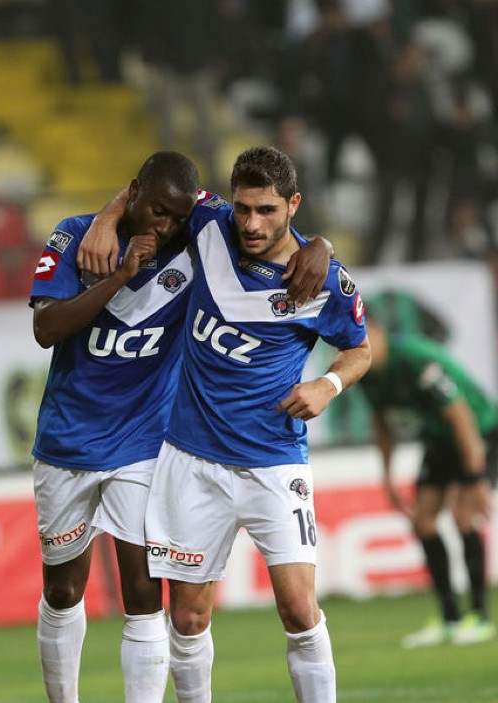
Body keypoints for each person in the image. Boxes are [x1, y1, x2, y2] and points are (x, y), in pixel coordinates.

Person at [30, 150, 333, 703]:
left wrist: (322, 245)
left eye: (177, 217)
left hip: (146, 444)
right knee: (63, 588)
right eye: (157, 212)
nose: (166, 226)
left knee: (145, 598)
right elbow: (46, 329)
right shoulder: (77, 236)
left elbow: (266, 222)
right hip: (67, 440)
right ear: (133, 194)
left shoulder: (199, 246)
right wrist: (116, 257)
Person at [361, 317, 497, 648]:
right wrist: (388, 477)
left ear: (379, 332)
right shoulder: (364, 370)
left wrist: (477, 478)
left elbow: (460, 416)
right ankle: (450, 618)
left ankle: (479, 617)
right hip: (439, 441)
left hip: (480, 432)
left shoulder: (416, 360)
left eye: (362, 336)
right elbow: (382, 424)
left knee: (464, 516)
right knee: (423, 522)